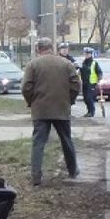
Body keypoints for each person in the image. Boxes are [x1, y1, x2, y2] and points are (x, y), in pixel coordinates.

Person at [22, 37, 81, 186]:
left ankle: (36, 177)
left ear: (38, 49)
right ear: (52, 48)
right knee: (66, 140)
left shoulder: (33, 65)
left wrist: (32, 101)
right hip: (62, 107)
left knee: (38, 143)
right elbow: (76, 84)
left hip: (40, 110)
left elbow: (26, 87)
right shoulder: (66, 63)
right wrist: (70, 100)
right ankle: (73, 170)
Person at [79, 47, 103, 117]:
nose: (87, 55)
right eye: (85, 54)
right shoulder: (83, 63)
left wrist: (99, 79)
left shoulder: (94, 63)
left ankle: (91, 112)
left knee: (90, 98)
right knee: (85, 98)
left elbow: (99, 72)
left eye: (88, 54)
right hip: (84, 83)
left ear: (91, 54)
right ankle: (88, 111)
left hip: (92, 84)